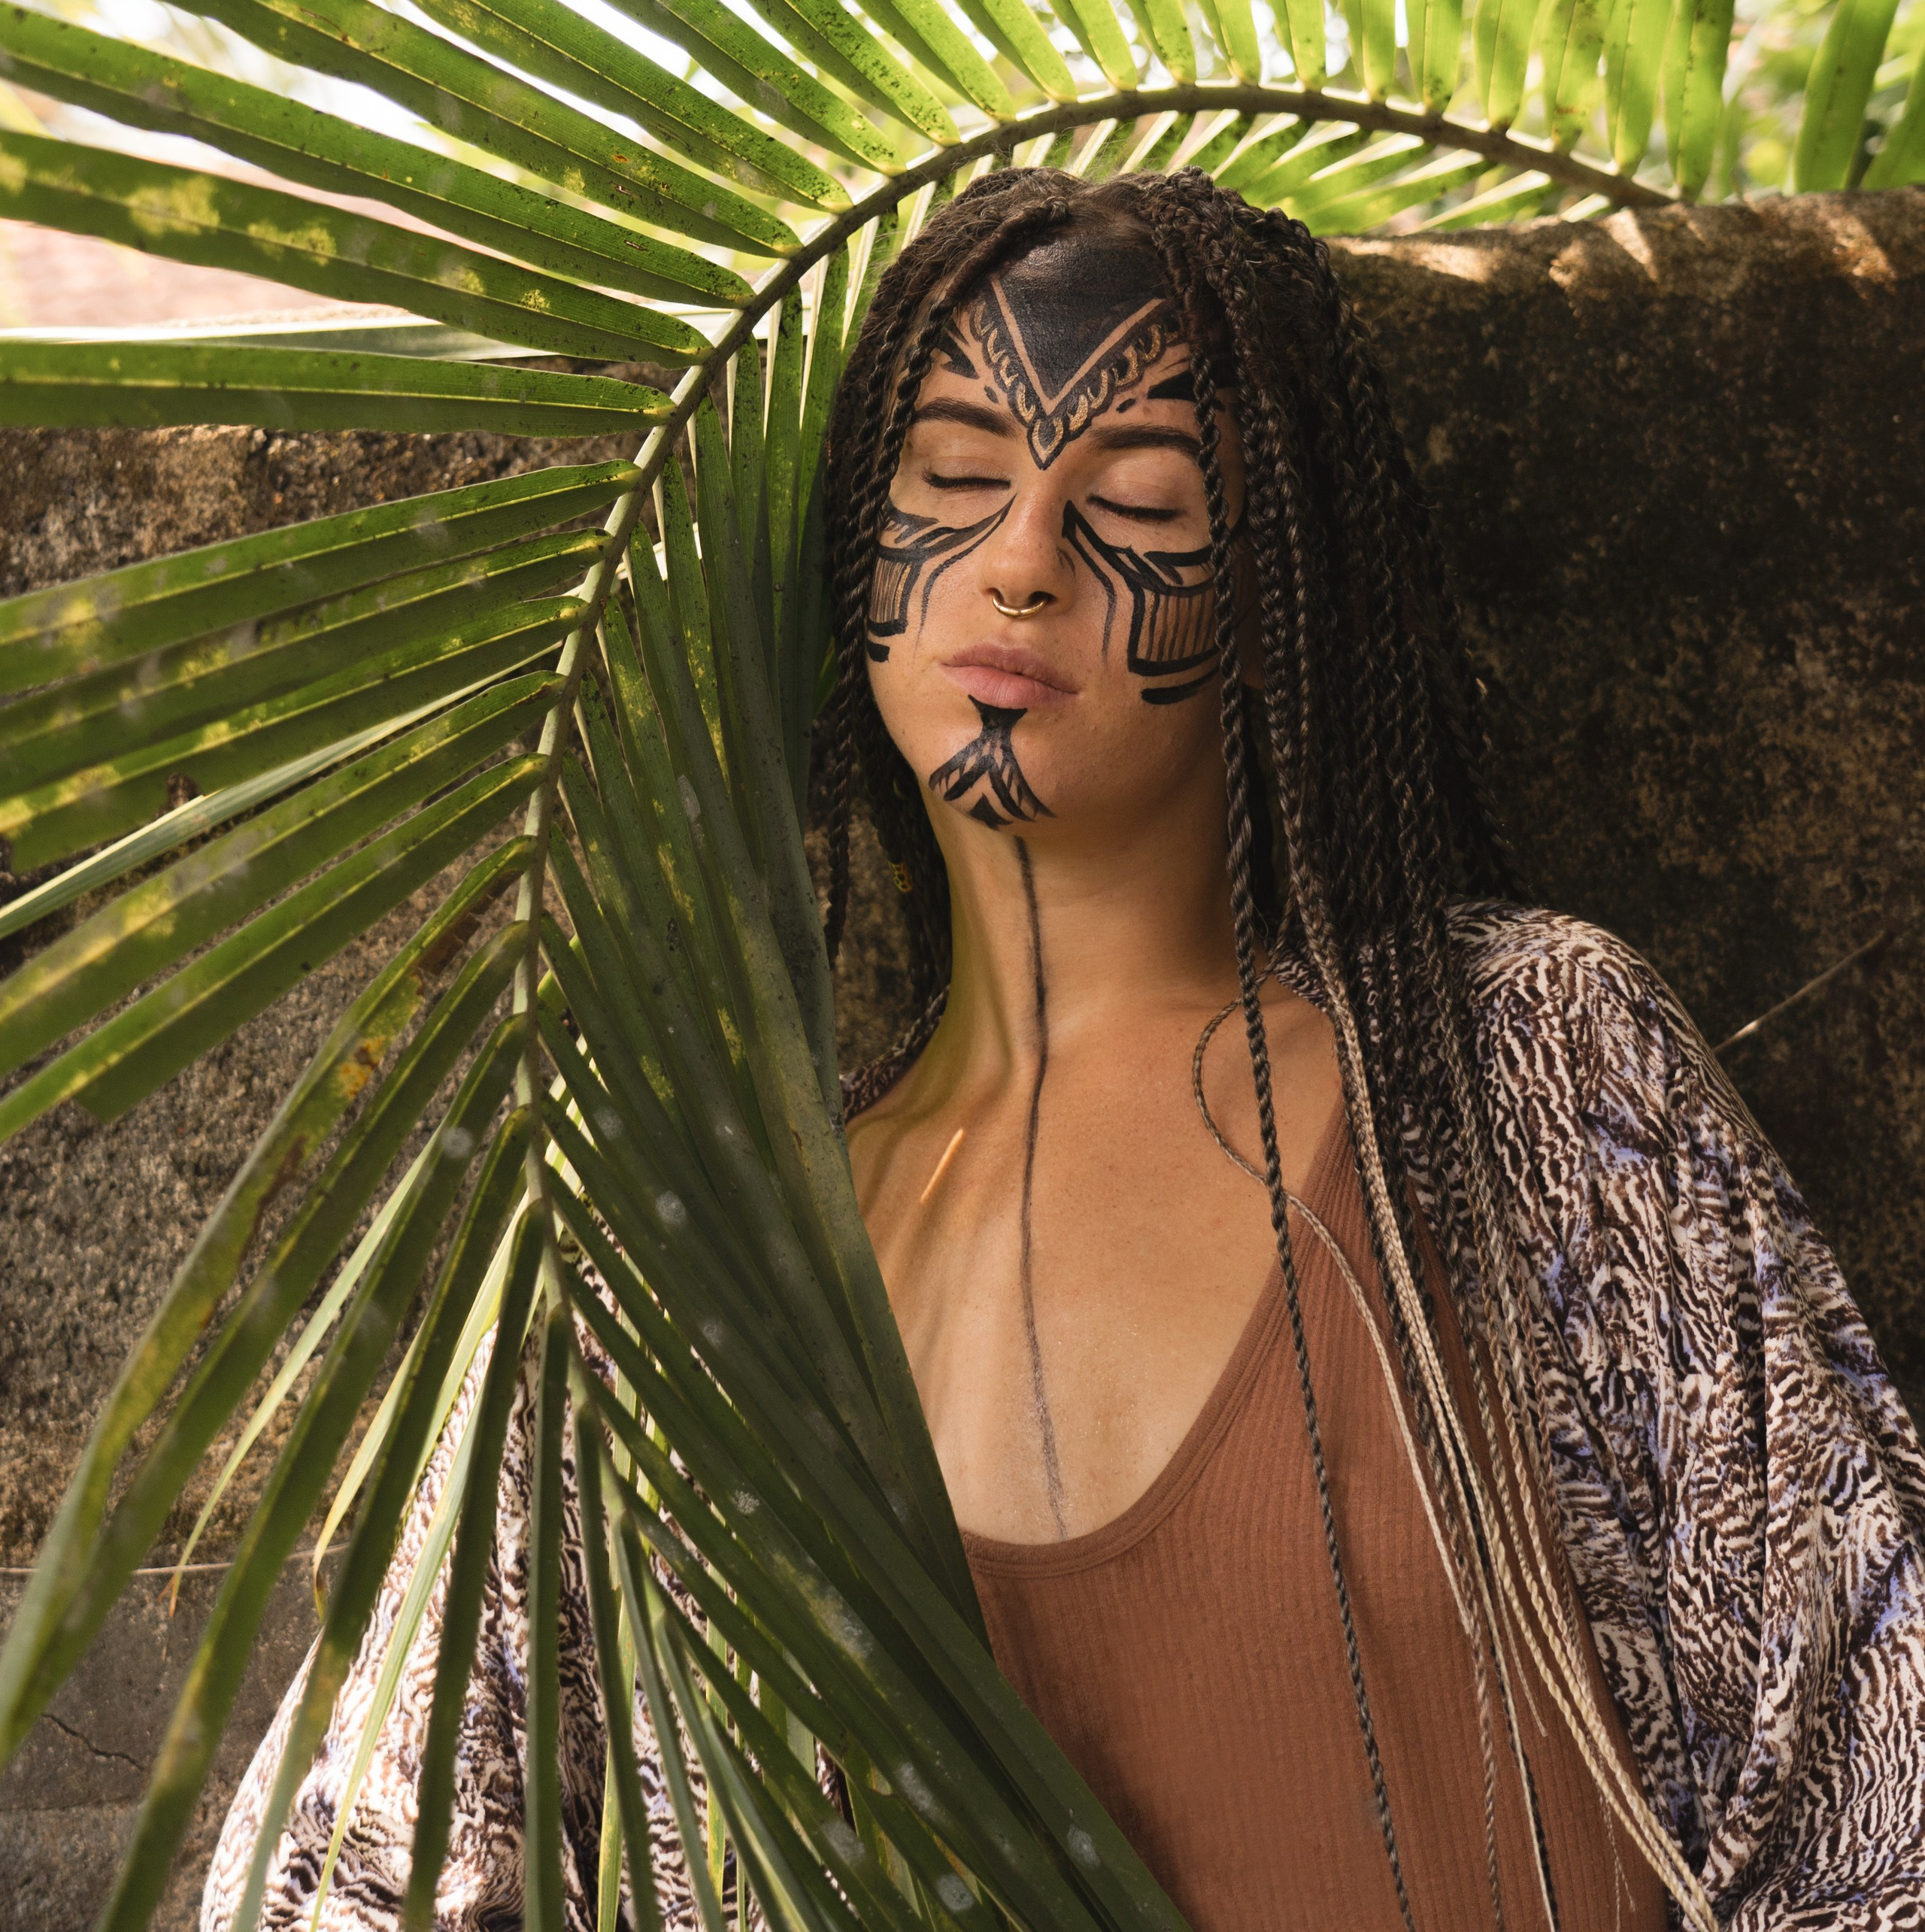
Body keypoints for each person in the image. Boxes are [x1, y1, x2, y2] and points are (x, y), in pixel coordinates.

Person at [204, 168, 1925, 1931]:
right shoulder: (679, 1276)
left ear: (1271, 610)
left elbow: (1883, 1785)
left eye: (1137, 502)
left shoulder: (1527, 1077)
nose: (1018, 560)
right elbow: (346, 1874)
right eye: (952, 479)